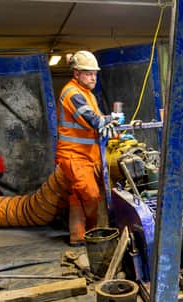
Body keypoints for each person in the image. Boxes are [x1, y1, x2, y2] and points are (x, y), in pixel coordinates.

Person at [56, 50, 114, 246]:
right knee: (90, 194)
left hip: (89, 156)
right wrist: (109, 120)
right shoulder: (72, 93)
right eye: (88, 73)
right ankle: (93, 233)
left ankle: (78, 236)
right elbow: (94, 120)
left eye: (95, 74)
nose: (93, 77)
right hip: (74, 156)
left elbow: (98, 121)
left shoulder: (87, 94)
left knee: (79, 194)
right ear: (76, 74)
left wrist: (117, 131)